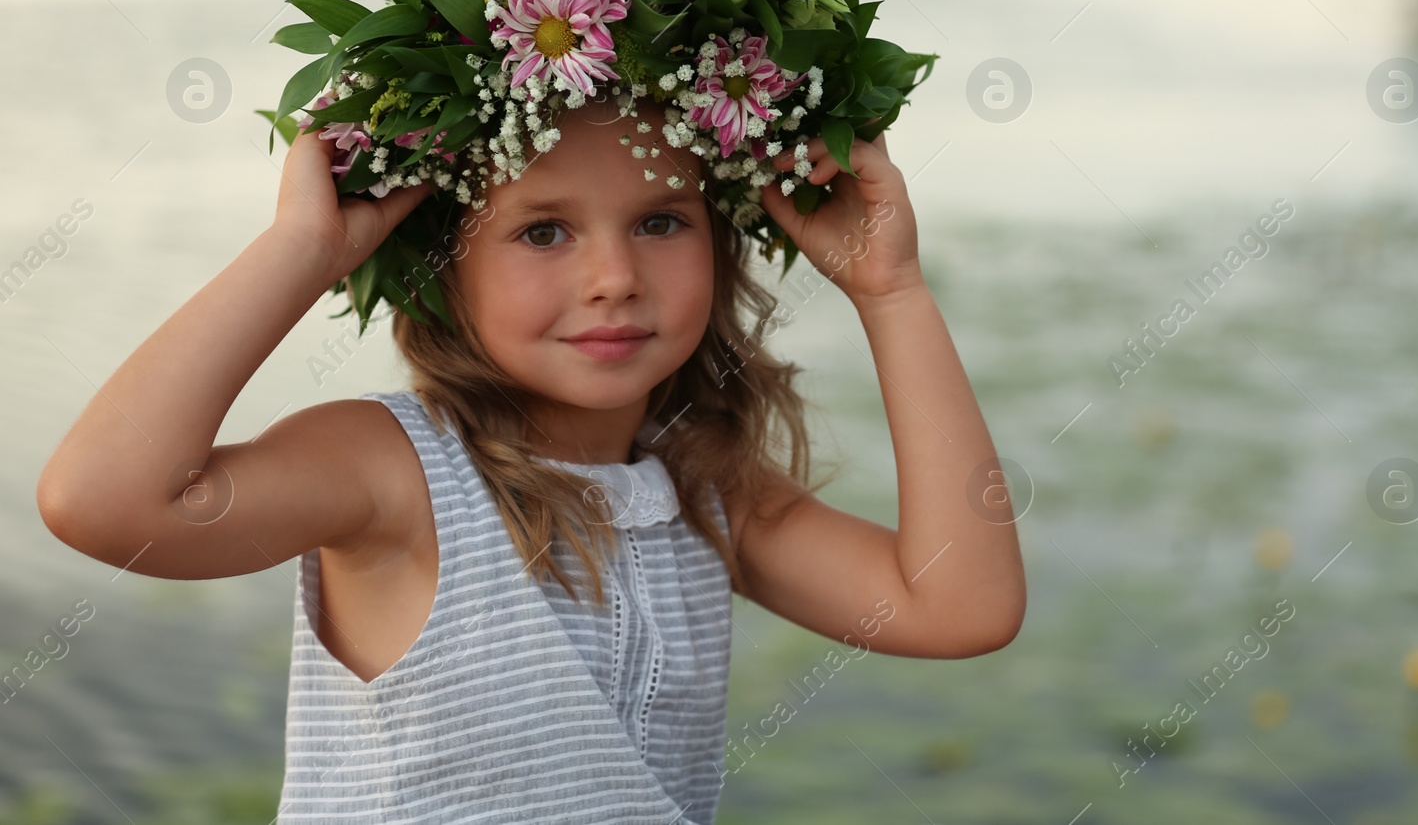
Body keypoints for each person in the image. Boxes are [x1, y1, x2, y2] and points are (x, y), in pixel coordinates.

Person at [35, 85, 1025, 821]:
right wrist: (302, 246)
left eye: (660, 221)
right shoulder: (394, 471)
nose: (613, 276)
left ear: (721, 247)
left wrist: (889, 293)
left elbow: (960, 604)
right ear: (442, 272)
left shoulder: (702, 485)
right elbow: (105, 499)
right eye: (542, 229)